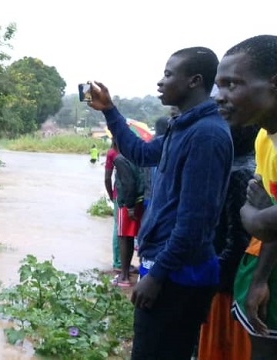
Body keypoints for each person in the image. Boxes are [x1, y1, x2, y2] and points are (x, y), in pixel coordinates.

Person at [87, 46, 233, 359]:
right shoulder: (182, 128)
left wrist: (156, 276)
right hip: (167, 269)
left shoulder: (206, 135)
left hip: (179, 276)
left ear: (194, 81)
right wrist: (109, 110)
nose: (160, 82)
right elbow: (140, 153)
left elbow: (195, 222)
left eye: (168, 74)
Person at [215, 34, 277, 359]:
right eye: (219, 86)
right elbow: (264, 225)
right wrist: (260, 280)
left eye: (232, 85)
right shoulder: (264, 141)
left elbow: (260, 218)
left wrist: (257, 216)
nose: (220, 97)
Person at [197, 124, 258, 360]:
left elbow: (238, 242)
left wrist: (210, 280)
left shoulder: (238, 172)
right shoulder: (243, 165)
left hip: (227, 288)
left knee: (224, 348)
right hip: (228, 279)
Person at [112, 152, 145, 287]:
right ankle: (140, 270)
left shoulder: (120, 159)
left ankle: (124, 276)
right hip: (140, 200)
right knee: (136, 236)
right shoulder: (138, 156)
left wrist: (129, 206)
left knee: (124, 237)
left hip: (127, 203)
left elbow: (128, 182)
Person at [105, 139, 122, 271]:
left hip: (119, 194)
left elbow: (107, 178)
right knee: (126, 230)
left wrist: (111, 195)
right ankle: (120, 261)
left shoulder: (112, 153)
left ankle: (118, 262)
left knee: (118, 227)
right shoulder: (130, 151)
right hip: (133, 195)